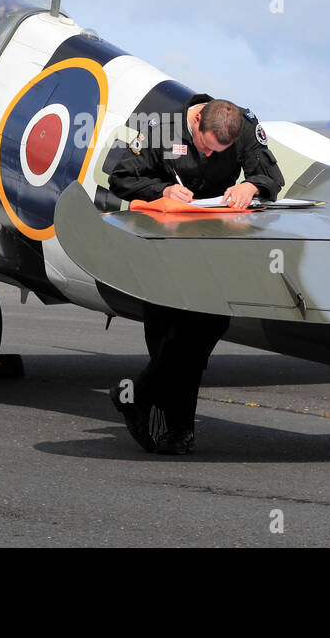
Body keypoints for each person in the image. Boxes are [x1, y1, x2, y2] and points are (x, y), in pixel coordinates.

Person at [107, 96, 284, 454]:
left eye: (220, 151)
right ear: (197, 120)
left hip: (211, 243)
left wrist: (251, 186)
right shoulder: (161, 127)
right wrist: (162, 189)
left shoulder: (244, 126)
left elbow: (271, 178)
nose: (208, 156)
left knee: (206, 327)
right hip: (163, 243)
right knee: (166, 333)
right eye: (204, 146)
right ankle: (176, 430)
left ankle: (140, 399)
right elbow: (121, 178)